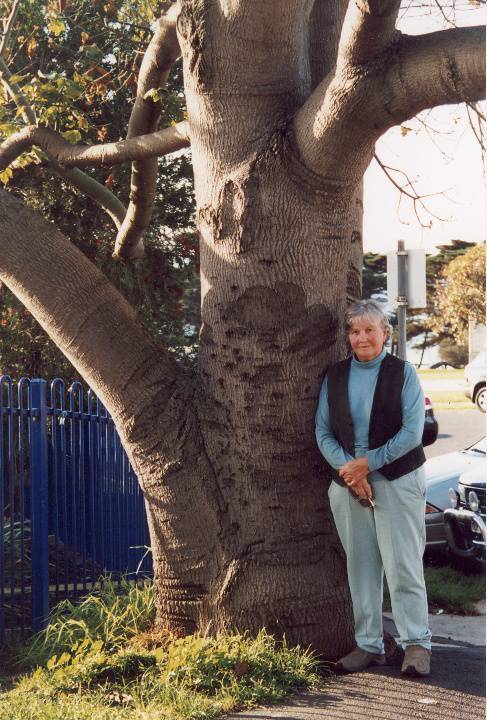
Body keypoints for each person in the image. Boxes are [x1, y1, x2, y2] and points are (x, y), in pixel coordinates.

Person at [315, 299, 432, 677]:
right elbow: (323, 431)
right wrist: (352, 472)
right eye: (354, 331)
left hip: (398, 481)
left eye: (370, 329)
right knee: (361, 567)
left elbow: (412, 434)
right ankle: (369, 645)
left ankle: (417, 643)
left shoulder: (403, 374)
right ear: (347, 337)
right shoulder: (334, 375)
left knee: (403, 566)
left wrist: (369, 463)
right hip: (348, 484)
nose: (362, 337)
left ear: (385, 333)